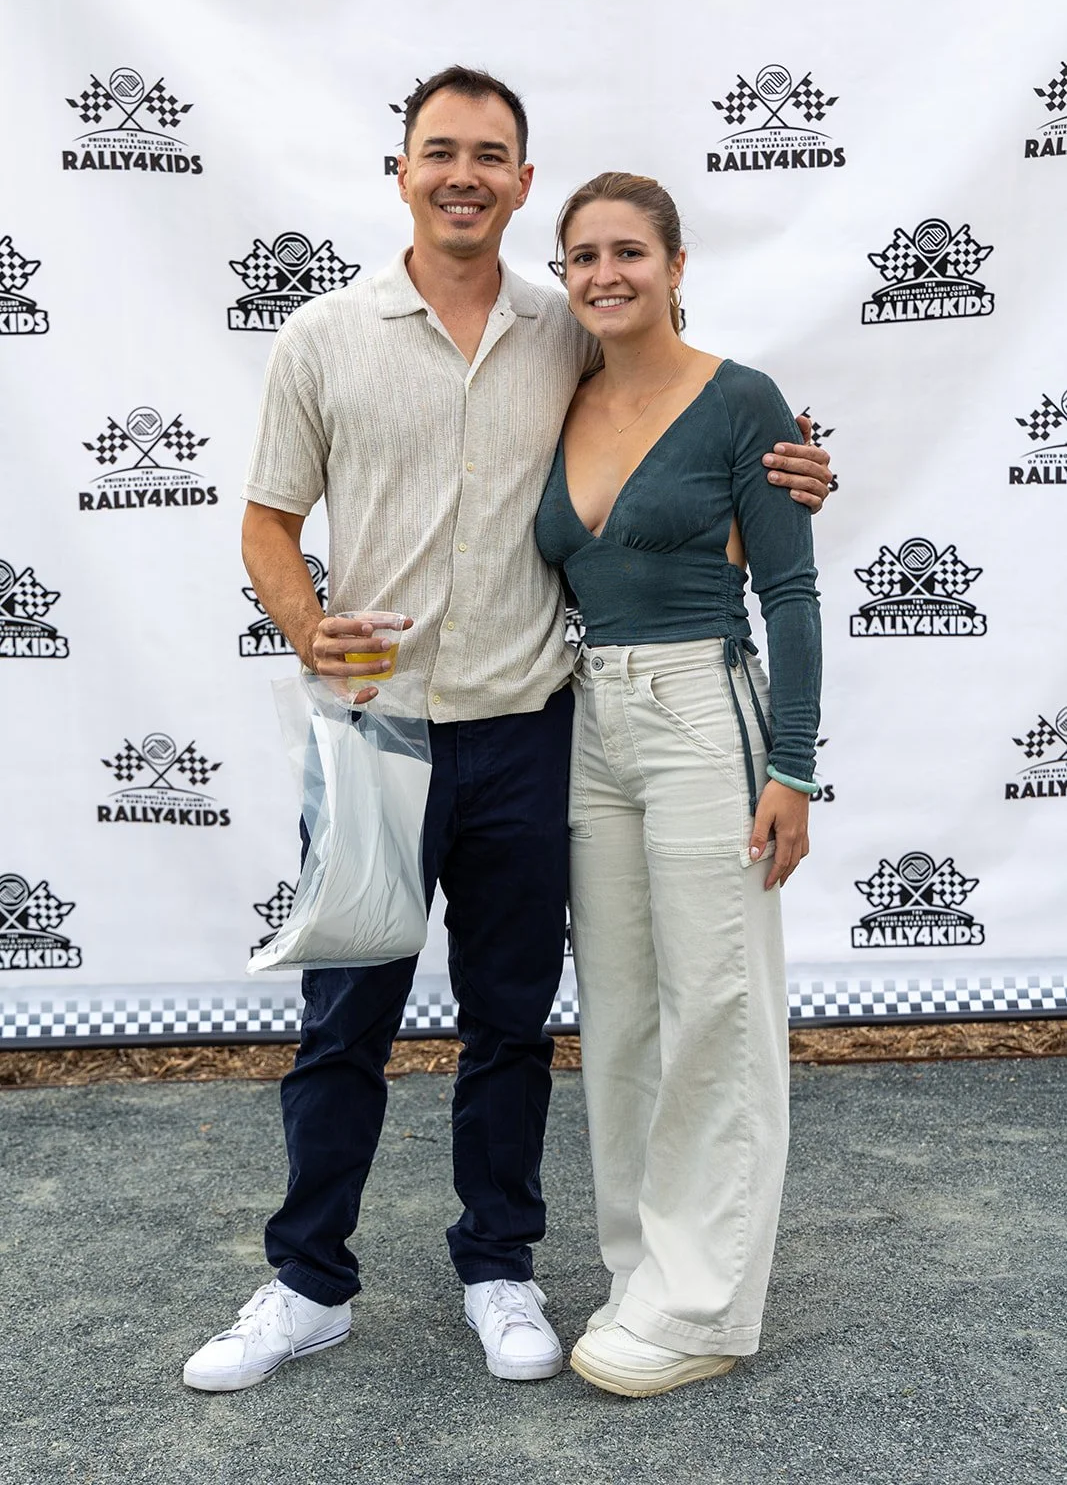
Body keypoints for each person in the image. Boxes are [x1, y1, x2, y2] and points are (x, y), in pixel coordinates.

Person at [182, 68, 832, 1394]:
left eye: (490, 154)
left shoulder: (563, 331)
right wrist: (306, 624)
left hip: (534, 732)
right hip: (374, 741)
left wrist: (795, 465)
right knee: (344, 1023)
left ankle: (499, 1264)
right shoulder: (320, 335)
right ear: (403, 171)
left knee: (507, 1024)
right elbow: (264, 520)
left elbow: (690, 418)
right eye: (439, 152)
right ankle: (307, 1284)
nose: (462, 172)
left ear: (521, 183)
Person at [534, 171, 821, 1398]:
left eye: (628, 253)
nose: (604, 274)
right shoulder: (561, 396)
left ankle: (707, 1308)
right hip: (590, 718)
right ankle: (641, 1272)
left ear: (675, 262)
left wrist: (792, 765)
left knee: (716, 1007)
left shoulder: (738, 400)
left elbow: (791, 593)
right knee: (625, 1012)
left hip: (706, 713)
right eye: (581, 256)